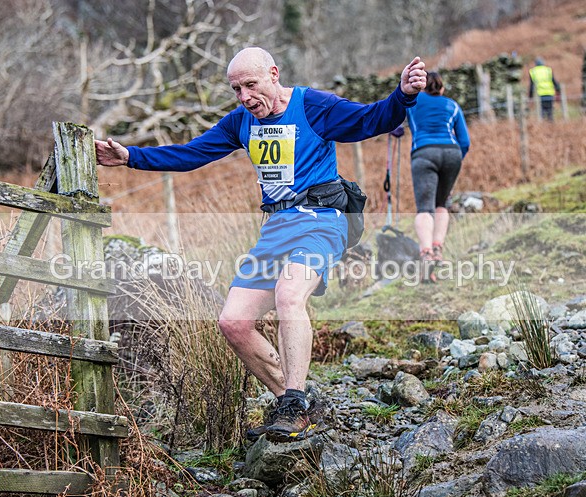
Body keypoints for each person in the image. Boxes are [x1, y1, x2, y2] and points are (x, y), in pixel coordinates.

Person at [95, 47, 427, 442]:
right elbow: (191, 154)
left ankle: (295, 403)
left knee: (289, 294)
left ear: (273, 74)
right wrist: (131, 156)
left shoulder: (313, 106)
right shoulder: (241, 122)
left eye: (251, 85)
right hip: (275, 229)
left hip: (321, 220)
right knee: (233, 322)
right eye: (236, 89)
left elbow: (370, 119)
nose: (245, 97)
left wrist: (403, 95)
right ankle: (294, 403)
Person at [405, 71, 469, 282]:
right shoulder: (452, 105)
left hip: (424, 153)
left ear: (424, 87)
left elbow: (396, 121)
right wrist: (456, 160)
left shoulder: (413, 102)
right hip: (452, 153)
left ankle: (426, 253)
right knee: (442, 203)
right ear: (441, 88)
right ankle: (437, 248)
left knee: (425, 208)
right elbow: (465, 141)